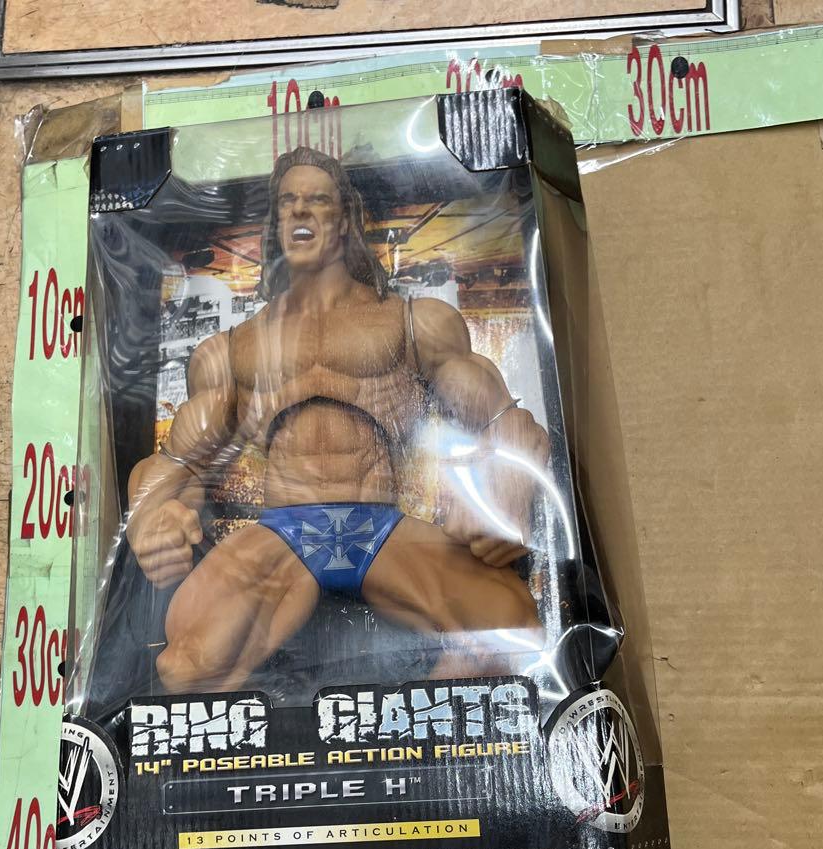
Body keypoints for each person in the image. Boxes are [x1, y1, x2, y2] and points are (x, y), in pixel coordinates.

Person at [126, 146, 552, 692]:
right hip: (284, 531)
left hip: (380, 524)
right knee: (187, 666)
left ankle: (416, 732)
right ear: (276, 222)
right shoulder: (231, 350)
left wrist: (505, 495)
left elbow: (505, 421)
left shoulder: (413, 322)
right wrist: (151, 521)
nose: (301, 211)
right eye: (288, 202)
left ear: (346, 218)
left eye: (318, 200)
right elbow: (177, 464)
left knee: (512, 629)